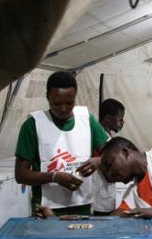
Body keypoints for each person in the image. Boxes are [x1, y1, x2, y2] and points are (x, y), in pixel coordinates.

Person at [14, 71, 110, 217]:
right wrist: (54, 177)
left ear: (75, 96)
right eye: (57, 103)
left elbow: (112, 153)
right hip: (46, 210)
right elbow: (21, 175)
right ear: (47, 97)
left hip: (81, 207)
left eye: (69, 103)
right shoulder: (32, 125)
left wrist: (98, 161)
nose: (63, 109)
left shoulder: (86, 120)